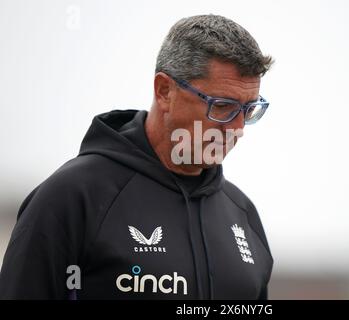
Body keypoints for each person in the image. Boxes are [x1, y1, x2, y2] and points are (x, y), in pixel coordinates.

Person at [0, 14, 274, 299]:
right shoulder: (72, 197)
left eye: (248, 110)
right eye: (222, 106)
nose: (238, 128)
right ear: (164, 91)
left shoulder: (243, 215)